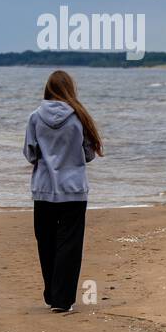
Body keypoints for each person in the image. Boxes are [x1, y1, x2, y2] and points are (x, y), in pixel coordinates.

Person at [23, 70, 103, 313]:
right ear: (70, 89)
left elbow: (30, 153)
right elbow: (89, 154)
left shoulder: (35, 117)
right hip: (74, 189)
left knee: (46, 242)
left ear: (48, 88)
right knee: (69, 244)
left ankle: (51, 295)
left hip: (44, 189)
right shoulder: (79, 116)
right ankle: (62, 299)